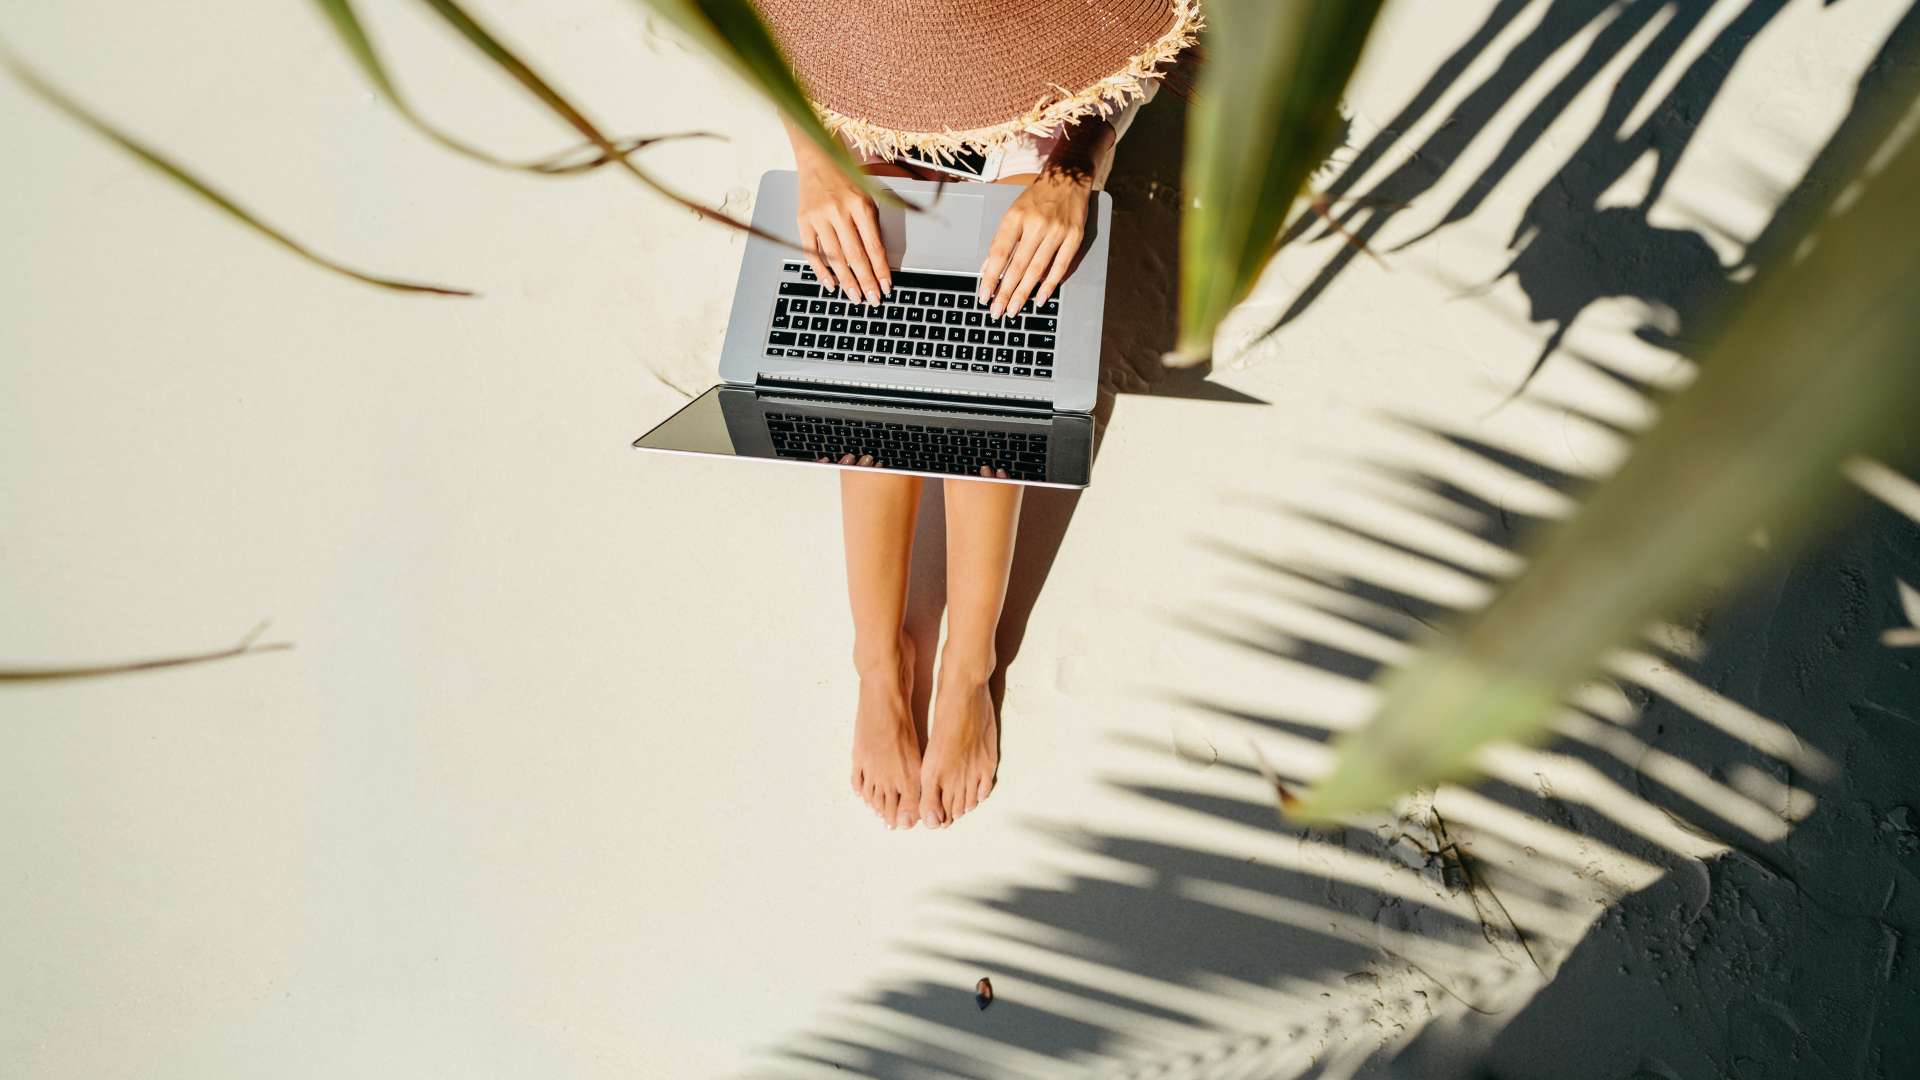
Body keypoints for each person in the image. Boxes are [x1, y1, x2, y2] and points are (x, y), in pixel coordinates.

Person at [753, 0, 1200, 830]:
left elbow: (1137, 43)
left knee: (1007, 299)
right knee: (867, 282)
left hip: (1052, 70)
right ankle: (879, 660)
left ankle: (968, 659)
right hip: (877, 46)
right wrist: (817, 161)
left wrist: (1077, 168)